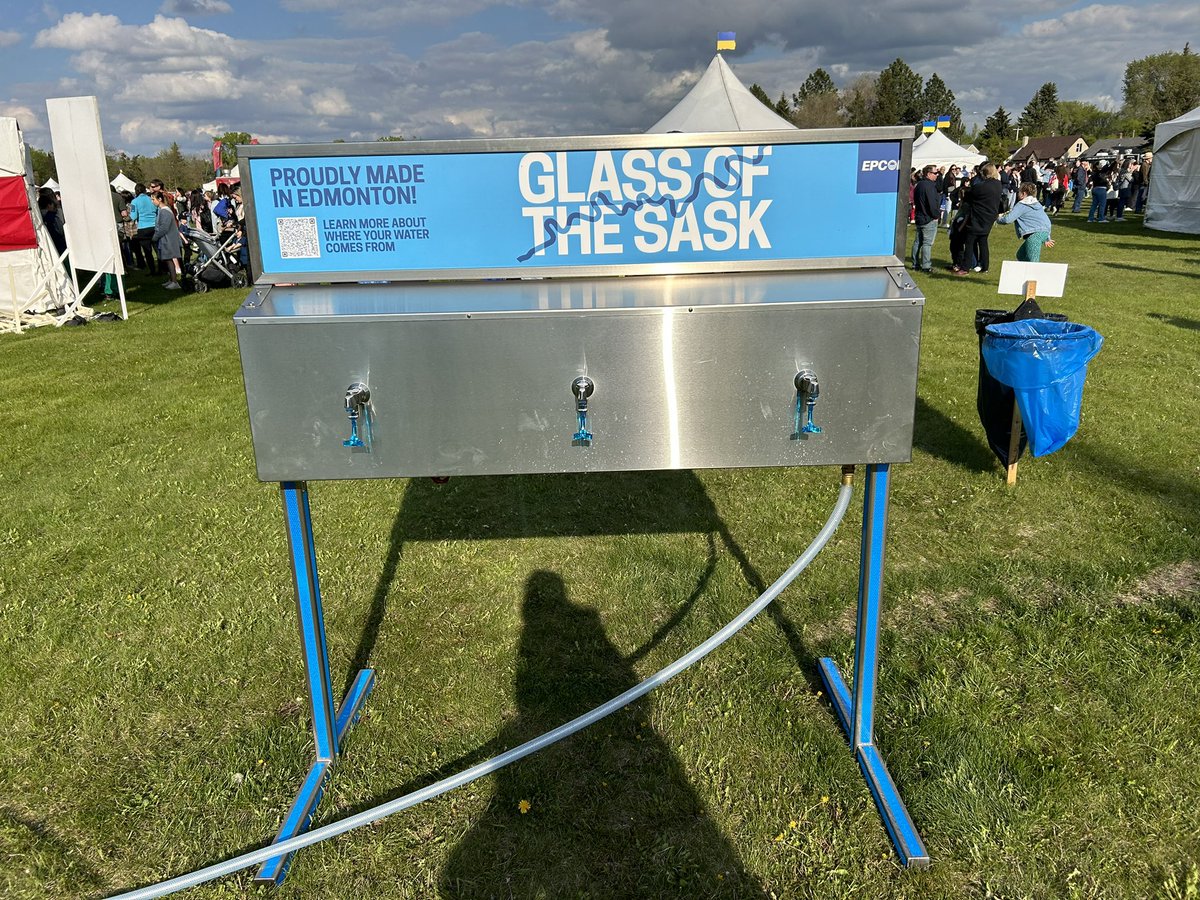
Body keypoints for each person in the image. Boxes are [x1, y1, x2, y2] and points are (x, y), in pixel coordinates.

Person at [951, 162, 1004, 275]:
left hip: (978, 217)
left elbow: (969, 196)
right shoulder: (998, 185)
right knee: (983, 241)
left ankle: (965, 268)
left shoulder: (980, 187)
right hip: (990, 217)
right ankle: (985, 266)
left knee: (969, 242)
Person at [996, 183, 1055, 261]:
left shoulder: (1021, 205)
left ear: (1023, 194)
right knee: (1021, 255)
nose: (1018, 194)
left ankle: (1032, 273)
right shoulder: (1037, 204)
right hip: (1043, 233)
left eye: (1019, 192)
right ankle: (1022, 272)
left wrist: (998, 219)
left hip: (1034, 236)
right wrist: (1047, 237)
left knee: (1033, 262)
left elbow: (1008, 220)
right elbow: (1046, 222)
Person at [911, 165, 940, 274]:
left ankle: (915, 264)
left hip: (919, 216)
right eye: (935, 173)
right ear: (928, 174)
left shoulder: (919, 185)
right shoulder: (929, 186)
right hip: (928, 218)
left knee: (918, 242)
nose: (936, 175)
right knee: (927, 243)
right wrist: (936, 215)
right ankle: (926, 266)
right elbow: (932, 203)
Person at [151, 191, 183, 289]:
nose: (152, 202)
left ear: (159, 199)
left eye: (153, 199)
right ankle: (171, 279)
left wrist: (155, 237)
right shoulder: (163, 210)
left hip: (169, 239)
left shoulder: (165, 211)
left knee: (170, 259)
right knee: (168, 259)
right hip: (166, 238)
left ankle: (174, 281)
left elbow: (164, 227)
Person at [128, 183, 159, 273]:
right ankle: (162, 269)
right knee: (157, 249)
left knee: (147, 252)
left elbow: (133, 216)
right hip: (154, 226)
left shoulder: (134, 202)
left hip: (143, 228)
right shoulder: (151, 199)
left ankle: (152, 270)